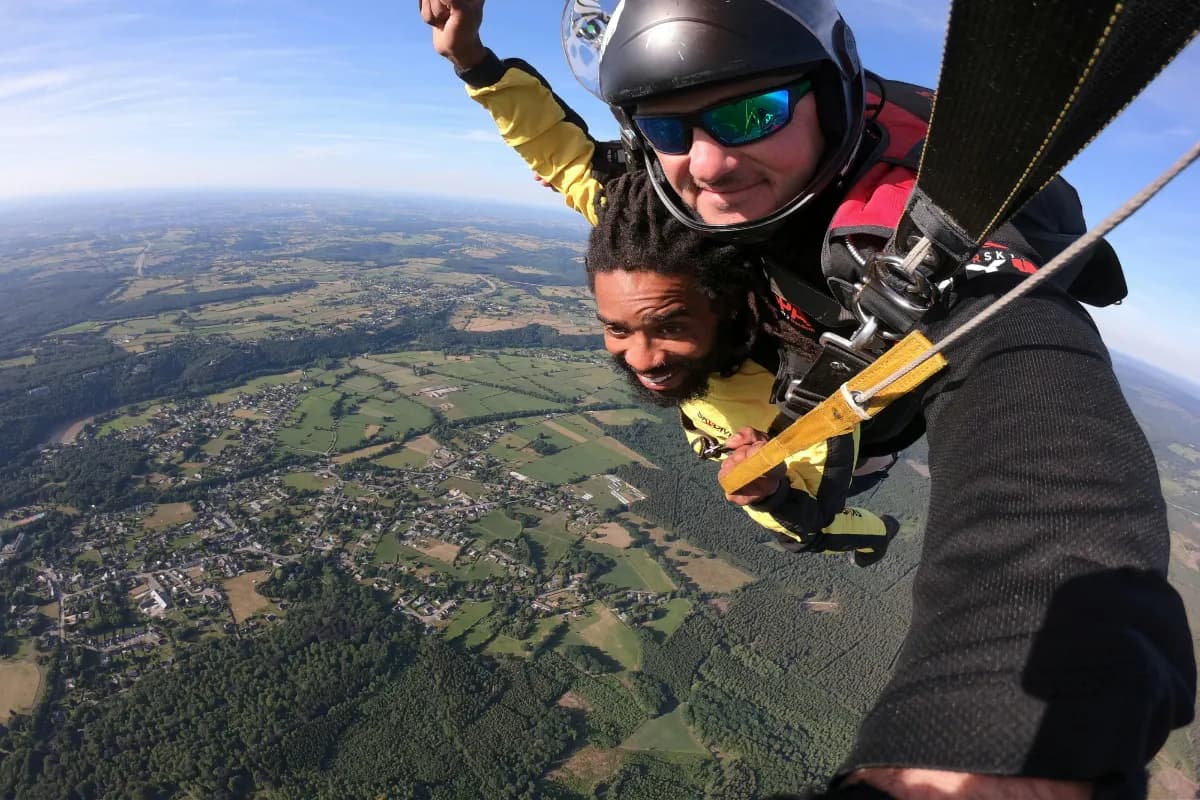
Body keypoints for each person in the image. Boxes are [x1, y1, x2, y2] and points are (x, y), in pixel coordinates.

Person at [421, 1, 1195, 798]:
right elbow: (568, 161)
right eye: (668, 128)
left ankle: (832, 519)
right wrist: (474, 60)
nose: (710, 164)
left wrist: (997, 732)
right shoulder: (661, 216)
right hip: (753, 411)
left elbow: (1036, 415)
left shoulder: (905, 239)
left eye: (753, 112)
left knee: (801, 505)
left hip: (827, 438)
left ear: (831, 95)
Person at [587, 170, 899, 565]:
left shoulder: (801, 398)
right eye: (616, 327)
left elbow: (810, 521)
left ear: (725, 310)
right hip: (744, 445)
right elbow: (557, 152)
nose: (639, 359)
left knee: (805, 538)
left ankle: (881, 531)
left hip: (815, 465)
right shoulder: (643, 256)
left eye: (671, 326)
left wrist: (773, 493)